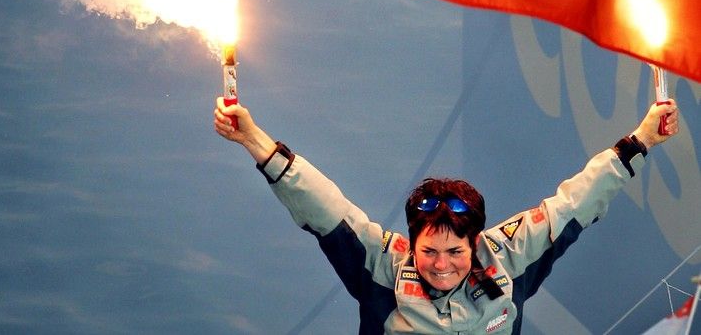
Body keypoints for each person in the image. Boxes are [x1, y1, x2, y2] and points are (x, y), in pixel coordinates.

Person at [213, 97, 680, 334]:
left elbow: (577, 200)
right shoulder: (380, 268)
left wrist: (641, 140)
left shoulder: (510, 257)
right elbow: (324, 208)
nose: (441, 265)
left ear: (476, 242)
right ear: (411, 243)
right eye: (429, 251)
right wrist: (254, 140)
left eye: (455, 251)